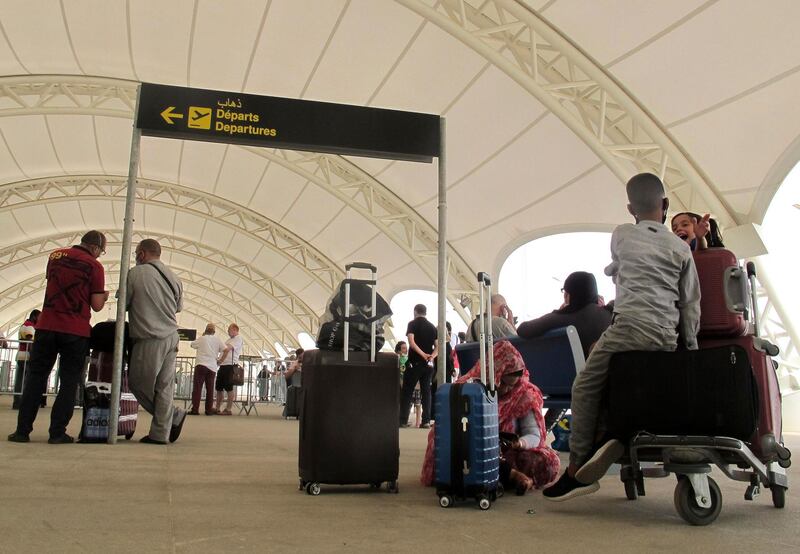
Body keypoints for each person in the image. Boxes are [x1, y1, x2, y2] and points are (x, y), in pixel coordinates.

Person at [543, 172, 701, 501]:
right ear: (666, 205)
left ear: (631, 209)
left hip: (628, 329)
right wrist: (689, 350)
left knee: (585, 385)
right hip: (664, 338)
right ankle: (609, 434)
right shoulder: (681, 249)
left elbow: (620, 268)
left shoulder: (622, 235)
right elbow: (690, 305)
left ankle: (578, 469)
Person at [8, 231, 109, 444]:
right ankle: (57, 432)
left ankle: (22, 431)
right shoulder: (94, 266)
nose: (100, 255)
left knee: (35, 379)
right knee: (69, 381)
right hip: (75, 330)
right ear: (94, 247)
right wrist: (105, 295)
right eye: (101, 251)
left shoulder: (54, 256)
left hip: (46, 326)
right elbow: (97, 305)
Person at [421, 340, 560, 492]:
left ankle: (503, 475)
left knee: (548, 462)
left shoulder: (524, 393)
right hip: (470, 448)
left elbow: (534, 434)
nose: (507, 390)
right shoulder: (467, 389)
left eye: (512, 385)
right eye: (504, 383)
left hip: (507, 452)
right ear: (493, 374)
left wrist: (518, 443)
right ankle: (508, 475)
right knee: (457, 451)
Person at [126, 239, 186, 445]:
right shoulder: (174, 277)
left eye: (136, 253)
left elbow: (123, 303)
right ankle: (159, 434)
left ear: (142, 254)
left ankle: (173, 415)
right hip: (172, 336)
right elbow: (178, 308)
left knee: (137, 383)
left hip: (149, 337)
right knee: (164, 386)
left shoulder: (135, 274)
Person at [517, 272, 612, 360]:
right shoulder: (610, 314)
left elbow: (522, 329)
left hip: (577, 376)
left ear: (568, 295)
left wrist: (559, 311)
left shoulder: (559, 319)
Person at [400, 304, 438, 429]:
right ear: (425, 313)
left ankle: (403, 420)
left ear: (415, 312)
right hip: (428, 365)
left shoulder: (412, 324)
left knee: (407, 391)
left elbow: (411, 342)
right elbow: (438, 346)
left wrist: (422, 354)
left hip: (415, 363)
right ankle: (426, 421)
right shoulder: (433, 327)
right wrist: (431, 356)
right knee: (426, 392)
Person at [189, 323, 226, 415]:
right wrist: (220, 361)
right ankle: (208, 410)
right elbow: (226, 350)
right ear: (214, 331)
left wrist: (202, 336)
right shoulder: (217, 340)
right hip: (212, 367)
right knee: (210, 389)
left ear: (205, 330)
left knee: (197, 388)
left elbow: (192, 345)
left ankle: (195, 409)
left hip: (201, 365)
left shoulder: (202, 338)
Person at [13, 309, 42, 410]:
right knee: (27, 380)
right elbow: (30, 341)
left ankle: (17, 401)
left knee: (19, 380)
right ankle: (23, 402)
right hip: (26, 356)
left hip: (20, 355)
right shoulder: (30, 326)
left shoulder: (24, 325)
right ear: (34, 316)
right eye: (39, 317)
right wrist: (34, 355)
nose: (40, 319)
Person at [215, 323, 244, 416]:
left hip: (230, 366)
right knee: (219, 387)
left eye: (229, 330)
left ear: (235, 330)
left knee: (229, 388)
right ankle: (217, 408)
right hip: (223, 366)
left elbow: (227, 349)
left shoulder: (238, 339)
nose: (228, 331)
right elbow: (223, 349)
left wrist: (220, 360)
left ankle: (228, 409)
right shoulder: (229, 340)